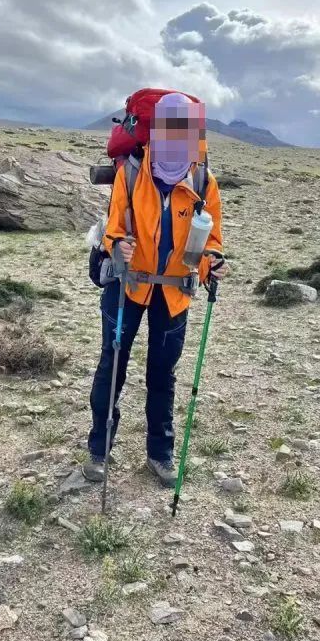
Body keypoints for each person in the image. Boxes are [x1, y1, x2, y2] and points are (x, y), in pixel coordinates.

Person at [84, 93, 228, 487]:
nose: (177, 141)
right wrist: (118, 246)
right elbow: (114, 228)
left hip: (176, 291)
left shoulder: (202, 180)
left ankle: (160, 454)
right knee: (112, 367)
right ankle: (99, 449)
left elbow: (212, 236)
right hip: (127, 285)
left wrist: (213, 260)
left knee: (162, 374)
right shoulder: (130, 174)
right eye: (170, 131)